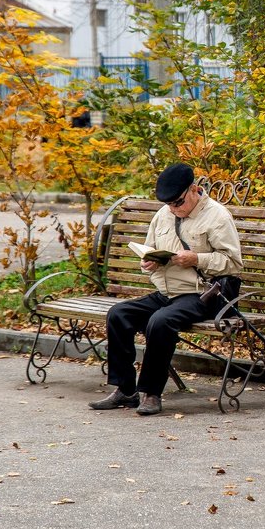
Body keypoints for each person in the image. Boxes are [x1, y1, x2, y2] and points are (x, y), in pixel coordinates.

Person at [89, 163, 243, 416]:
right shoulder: (164, 214)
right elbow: (148, 250)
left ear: (195, 190)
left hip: (203, 294)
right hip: (167, 292)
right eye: (170, 204)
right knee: (119, 314)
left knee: (160, 321)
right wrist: (147, 262)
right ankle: (125, 390)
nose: (174, 208)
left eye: (178, 202)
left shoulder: (217, 216)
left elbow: (234, 264)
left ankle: (151, 393)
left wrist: (197, 259)